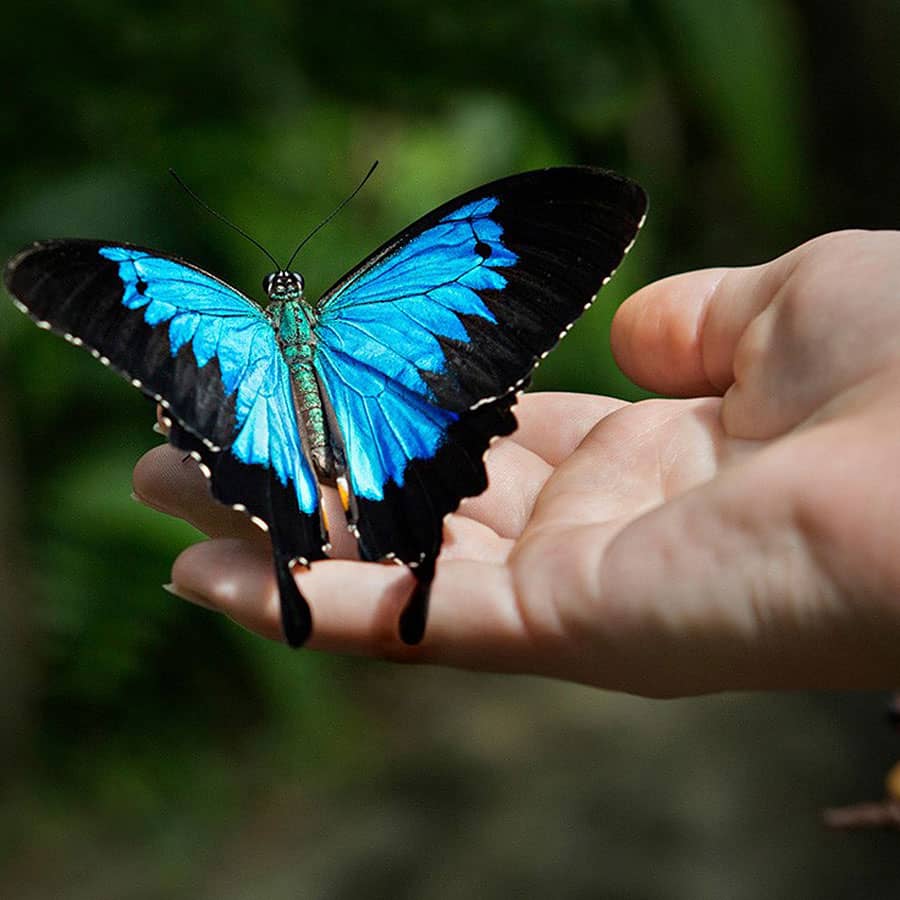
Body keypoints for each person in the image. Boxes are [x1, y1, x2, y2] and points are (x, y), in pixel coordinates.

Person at [132, 229, 900, 696]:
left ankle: (311, 546)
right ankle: (346, 529)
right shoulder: (365, 300)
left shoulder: (224, 313)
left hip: (344, 431)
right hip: (382, 429)